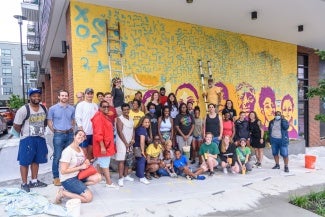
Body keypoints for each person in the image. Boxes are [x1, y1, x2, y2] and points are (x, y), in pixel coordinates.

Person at [13, 88, 48, 192]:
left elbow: (45, 122)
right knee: (24, 161)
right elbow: (16, 125)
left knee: (36, 160)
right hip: (27, 139)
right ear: (29, 97)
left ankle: (34, 181)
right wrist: (24, 133)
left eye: (38, 96)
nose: (36, 98)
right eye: (34, 96)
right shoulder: (23, 109)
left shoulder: (44, 108)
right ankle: (24, 183)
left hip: (40, 138)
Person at [56, 130, 101, 204]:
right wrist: (80, 167)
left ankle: (74, 189)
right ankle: (63, 193)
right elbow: (63, 171)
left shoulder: (80, 149)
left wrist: (86, 161)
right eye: (79, 135)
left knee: (98, 177)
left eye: (83, 136)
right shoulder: (67, 151)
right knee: (88, 198)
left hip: (78, 176)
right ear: (74, 136)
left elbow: (81, 162)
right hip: (68, 179)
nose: (81, 137)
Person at [48, 90, 75, 186]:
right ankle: (56, 177)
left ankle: (68, 175)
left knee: (69, 156)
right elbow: (49, 121)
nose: (64, 97)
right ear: (59, 97)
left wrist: (70, 128)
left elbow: (73, 120)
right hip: (58, 135)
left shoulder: (71, 108)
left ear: (68, 97)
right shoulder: (52, 109)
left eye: (66, 95)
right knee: (57, 156)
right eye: (62, 95)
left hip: (70, 134)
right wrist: (55, 131)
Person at [91, 101, 118, 188]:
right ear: (100, 107)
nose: (106, 108)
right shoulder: (99, 117)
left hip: (106, 144)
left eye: (107, 106)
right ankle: (109, 183)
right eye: (104, 107)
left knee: (100, 162)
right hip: (103, 145)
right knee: (105, 164)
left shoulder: (103, 116)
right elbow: (98, 134)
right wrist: (102, 147)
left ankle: (99, 177)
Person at [75, 88, 98, 160]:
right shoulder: (81, 105)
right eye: (88, 93)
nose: (90, 95)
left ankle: (88, 169)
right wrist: (81, 132)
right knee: (83, 152)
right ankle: (82, 169)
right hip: (84, 132)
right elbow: (78, 118)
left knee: (90, 153)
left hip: (93, 133)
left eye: (91, 93)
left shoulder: (95, 105)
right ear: (85, 94)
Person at [115, 103, 135, 187]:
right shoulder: (119, 119)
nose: (126, 111)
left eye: (127, 109)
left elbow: (133, 130)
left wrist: (133, 139)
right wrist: (126, 143)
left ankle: (126, 175)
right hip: (122, 143)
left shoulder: (131, 118)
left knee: (128, 160)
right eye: (124, 110)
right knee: (121, 160)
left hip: (130, 142)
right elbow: (119, 132)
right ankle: (120, 178)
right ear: (122, 111)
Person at [134, 116, 151, 184]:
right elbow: (142, 141)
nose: (147, 124)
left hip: (137, 147)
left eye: (148, 122)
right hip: (138, 147)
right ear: (142, 123)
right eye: (145, 122)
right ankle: (142, 177)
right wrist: (142, 151)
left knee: (139, 161)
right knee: (142, 160)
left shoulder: (141, 128)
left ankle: (138, 174)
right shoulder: (142, 129)